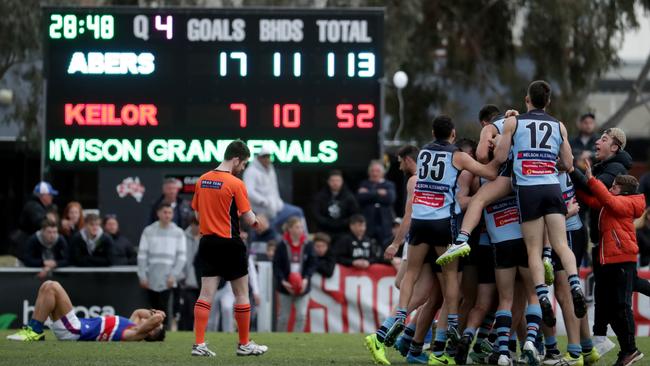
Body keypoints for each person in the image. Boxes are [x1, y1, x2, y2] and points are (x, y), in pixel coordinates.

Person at [366, 116, 498, 366]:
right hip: (441, 222)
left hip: (420, 221)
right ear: (453, 133)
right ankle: (447, 332)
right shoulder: (457, 155)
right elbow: (487, 171)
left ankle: (396, 321)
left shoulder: (424, 152)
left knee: (412, 276)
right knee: (451, 279)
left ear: (432, 132)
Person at [491, 80, 586, 334]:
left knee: (533, 250)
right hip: (552, 188)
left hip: (528, 190)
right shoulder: (559, 125)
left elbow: (499, 157)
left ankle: (542, 295)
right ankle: (576, 284)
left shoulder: (514, 122)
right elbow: (568, 163)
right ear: (549, 102)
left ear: (527, 99)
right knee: (561, 245)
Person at [190, 140, 267, 357]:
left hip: (207, 242)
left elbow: (197, 216)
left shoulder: (202, 180)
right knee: (242, 294)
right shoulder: (235, 183)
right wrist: (257, 223)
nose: (242, 168)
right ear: (236, 159)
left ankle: (199, 344)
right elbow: (248, 216)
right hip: (230, 243)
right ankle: (244, 344)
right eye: (242, 164)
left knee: (205, 294)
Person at [569, 127, 632, 356]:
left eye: (603, 139)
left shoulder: (615, 168)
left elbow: (595, 189)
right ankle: (601, 338)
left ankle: (627, 347)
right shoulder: (606, 166)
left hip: (613, 244)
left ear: (614, 147)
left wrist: (571, 170)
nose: (597, 142)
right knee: (605, 294)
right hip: (603, 242)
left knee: (618, 298)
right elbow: (591, 194)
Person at [576, 164, 646, 366]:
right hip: (612, 260)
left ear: (623, 190)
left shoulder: (627, 203)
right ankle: (628, 350)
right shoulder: (615, 201)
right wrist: (575, 181)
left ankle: (630, 350)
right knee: (613, 308)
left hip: (622, 259)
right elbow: (593, 200)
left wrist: (590, 178)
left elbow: (606, 199)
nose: (610, 188)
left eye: (614, 186)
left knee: (621, 307)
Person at [7, 280, 165, 342]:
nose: (148, 319)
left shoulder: (134, 334)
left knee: (52, 287)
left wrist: (159, 316)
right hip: (75, 326)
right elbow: (139, 312)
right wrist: (153, 313)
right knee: (47, 286)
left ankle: (34, 331)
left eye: (154, 326)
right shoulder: (132, 324)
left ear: (150, 331)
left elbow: (155, 320)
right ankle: (35, 331)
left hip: (75, 331)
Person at [137, 203, 187, 328]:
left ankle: (164, 332)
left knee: (166, 310)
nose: (167, 215)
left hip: (168, 279)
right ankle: (152, 332)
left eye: (170, 212)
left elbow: (182, 257)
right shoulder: (148, 231)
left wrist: (173, 275)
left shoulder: (178, 232)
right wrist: (142, 276)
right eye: (165, 212)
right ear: (158, 213)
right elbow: (142, 255)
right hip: (151, 277)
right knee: (152, 310)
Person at [243, 146, 305, 231]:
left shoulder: (270, 169)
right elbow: (248, 191)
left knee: (297, 212)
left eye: (268, 156)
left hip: (277, 207)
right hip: (261, 211)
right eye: (264, 157)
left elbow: (274, 189)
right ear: (258, 158)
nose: (267, 159)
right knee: (266, 232)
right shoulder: (251, 171)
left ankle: (303, 240)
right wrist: (263, 201)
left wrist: (277, 202)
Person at [273, 216, 317, 332]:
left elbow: (312, 264)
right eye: (297, 227)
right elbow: (276, 266)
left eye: (301, 227)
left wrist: (306, 279)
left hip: (303, 285)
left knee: (301, 315)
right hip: (285, 286)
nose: (301, 229)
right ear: (290, 229)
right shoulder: (282, 245)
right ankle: (280, 339)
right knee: (283, 317)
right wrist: (283, 281)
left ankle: (296, 338)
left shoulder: (308, 244)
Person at [311, 170, 360, 240]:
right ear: (328, 181)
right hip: (324, 232)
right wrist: (327, 222)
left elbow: (355, 214)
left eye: (337, 180)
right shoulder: (320, 196)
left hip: (344, 232)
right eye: (333, 180)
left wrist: (342, 223)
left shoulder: (349, 197)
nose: (335, 183)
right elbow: (315, 213)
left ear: (342, 182)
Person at [357, 160, 396, 247]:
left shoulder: (389, 185)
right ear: (369, 172)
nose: (375, 174)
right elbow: (361, 198)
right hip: (368, 223)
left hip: (385, 223)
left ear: (382, 173)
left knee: (385, 245)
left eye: (377, 171)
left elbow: (390, 199)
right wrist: (378, 193)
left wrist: (369, 193)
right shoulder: (364, 184)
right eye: (372, 171)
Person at [17, 182, 58, 249]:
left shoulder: (40, 206)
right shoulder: (34, 206)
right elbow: (40, 223)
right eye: (50, 195)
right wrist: (48, 219)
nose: (52, 197)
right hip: (26, 244)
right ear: (43, 196)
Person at [179, 214, 201, 331]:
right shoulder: (182, 237)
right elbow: (179, 258)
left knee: (201, 312)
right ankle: (186, 332)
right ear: (191, 224)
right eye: (196, 224)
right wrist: (182, 276)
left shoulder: (207, 237)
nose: (199, 227)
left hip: (203, 282)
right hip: (188, 283)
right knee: (188, 312)